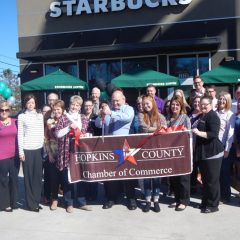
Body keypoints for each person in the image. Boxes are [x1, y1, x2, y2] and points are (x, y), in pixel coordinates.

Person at [95, 89, 137, 210]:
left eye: (117, 101)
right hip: (109, 146)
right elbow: (98, 124)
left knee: (127, 174)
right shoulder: (108, 110)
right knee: (111, 174)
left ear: (123, 100)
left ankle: (131, 198)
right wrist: (100, 115)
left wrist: (110, 113)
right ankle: (111, 198)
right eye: (113, 101)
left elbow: (127, 118)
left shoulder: (128, 109)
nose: (115, 103)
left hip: (124, 146)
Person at [55, 95, 92, 213]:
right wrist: (68, 128)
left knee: (81, 177)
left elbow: (87, 133)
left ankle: (81, 202)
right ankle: (69, 203)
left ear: (80, 107)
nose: (75, 107)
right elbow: (57, 134)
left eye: (77, 105)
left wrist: (86, 135)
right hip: (66, 152)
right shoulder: (63, 118)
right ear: (69, 105)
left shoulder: (84, 118)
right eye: (73, 104)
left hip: (80, 152)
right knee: (68, 179)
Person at [192, 96, 224, 213]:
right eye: (202, 104)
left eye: (206, 104)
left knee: (212, 180)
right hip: (203, 153)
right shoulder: (202, 116)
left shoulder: (213, 116)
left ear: (211, 105)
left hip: (213, 153)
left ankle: (213, 205)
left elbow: (213, 134)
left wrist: (198, 132)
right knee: (205, 180)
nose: (203, 106)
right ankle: (205, 202)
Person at [138, 95, 167, 212]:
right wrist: (158, 128)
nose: (146, 106)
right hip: (145, 150)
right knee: (146, 176)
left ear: (153, 103)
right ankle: (147, 200)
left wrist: (157, 128)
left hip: (157, 149)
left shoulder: (161, 116)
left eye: (148, 103)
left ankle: (156, 200)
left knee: (156, 177)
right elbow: (144, 128)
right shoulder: (141, 115)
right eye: (144, 104)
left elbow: (165, 129)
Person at [18, 94, 44, 212]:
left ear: (35, 103)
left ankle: (36, 200)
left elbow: (42, 133)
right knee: (28, 177)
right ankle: (31, 204)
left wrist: (44, 148)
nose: (30, 105)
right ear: (25, 104)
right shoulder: (22, 117)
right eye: (28, 103)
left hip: (38, 149)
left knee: (37, 177)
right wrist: (20, 151)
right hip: (27, 150)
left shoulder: (40, 116)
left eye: (32, 103)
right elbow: (20, 135)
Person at [167, 95, 191, 211]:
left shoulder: (185, 117)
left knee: (183, 178)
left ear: (181, 106)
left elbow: (190, 134)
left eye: (177, 105)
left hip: (183, 153)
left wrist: (185, 132)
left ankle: (184, 201)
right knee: (174, 178)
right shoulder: (168, 119)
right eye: (173, 104)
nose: (174, 107)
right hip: (171, 153)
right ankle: (177, 199)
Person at [45, 100, 64, 210]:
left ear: (62, 110)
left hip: (64, 153)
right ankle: (54, 200)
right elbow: (46, 138)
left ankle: (66, 200)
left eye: (59, 109)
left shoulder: (66, 121)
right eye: (55, 109)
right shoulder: (49, 122)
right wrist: (50, 154)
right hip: (53, 153)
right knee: (53, 178)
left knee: (64, 179)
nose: (57, 111)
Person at [216, 92, 235, 203]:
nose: (221, 101)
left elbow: (230, 134)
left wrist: (227, 149)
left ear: (227, 102)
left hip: (224, 148)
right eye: (220, 99)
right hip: (214, 147)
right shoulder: (214, 112)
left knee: (224, 173)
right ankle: (217, 195)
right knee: (216, 173)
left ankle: (225, 196)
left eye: (224, 99)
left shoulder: (230, 114)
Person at [0, 101, 19, 212]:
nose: (4, 112)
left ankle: (14, 202)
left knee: (14, 179)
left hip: (15, 155)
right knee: (3, 180)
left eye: (6, 110)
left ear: (10, 111)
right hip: (2, 156)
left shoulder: (15, 121)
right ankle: (4, 203)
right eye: (1, 110)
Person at [188, 96, 202, 193]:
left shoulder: (204, 115)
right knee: (192, 167)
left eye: (198, 102)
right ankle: (193, 187)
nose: (196, 103)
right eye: (195, 102)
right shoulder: (189, 114)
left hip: (200, 145)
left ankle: (202, 187)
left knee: (202, 168)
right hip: (190, 145)